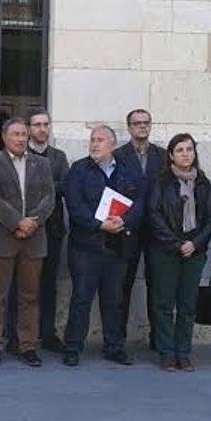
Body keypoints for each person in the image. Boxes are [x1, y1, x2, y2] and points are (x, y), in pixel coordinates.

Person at [61, 125, 143, 367]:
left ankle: (114, 347)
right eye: (92, 140)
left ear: (113, 145)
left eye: (100, 140)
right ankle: (73, 347)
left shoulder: (129, 170)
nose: (94, 144)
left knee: (114, 300)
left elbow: (140, 202)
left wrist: (124, 221)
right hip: (86, 247)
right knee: (81, 299)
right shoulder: (79, 169)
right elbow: (75, 206)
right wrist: (99, 225)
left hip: (117, 246)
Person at [0, 118, 55, 368]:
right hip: (1, 238)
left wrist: (32, 223)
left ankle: (28, 345)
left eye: (24, 134)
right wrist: (17, 223)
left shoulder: (42, 163)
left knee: (30, 296)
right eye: (16, 134)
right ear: (4, 137)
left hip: (33, 239)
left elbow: (49, 197)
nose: (21, 139)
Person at [146, 133, 211, 372]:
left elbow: (210, 218)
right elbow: (154, 215)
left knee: (187, 305)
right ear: (171, 155)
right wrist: (176, 244)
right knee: (164, 304)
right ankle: (166, 352)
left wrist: (194, 243)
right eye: (180, 150)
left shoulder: (203, 182)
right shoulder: (161, 182)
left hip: (194, 251)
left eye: (189, 149)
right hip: (166, 250)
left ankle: (183, 352)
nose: (186, 154)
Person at [8, 109, 67, 353]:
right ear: (29, 129)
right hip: (21, 229)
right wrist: (42, 192)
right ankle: (15, 334)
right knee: (18, 285)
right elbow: (14, 191)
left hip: (50, 229)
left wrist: (42, 190)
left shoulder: (58, 157)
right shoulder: (19, 154)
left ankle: (47, 332)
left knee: (48, 284)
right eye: (37, 125)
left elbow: (64, 186)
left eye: (46, 124)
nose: (42, 129)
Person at [114, 109, 166, 353]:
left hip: (157, 230)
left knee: (158, 285)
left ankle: (159, 338)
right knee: (122, 284)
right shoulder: (118, 155)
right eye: (137, 123)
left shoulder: (163, 156)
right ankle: (117, 338)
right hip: (128, 228)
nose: (142, 127)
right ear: (129, 127)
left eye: (146, 123)